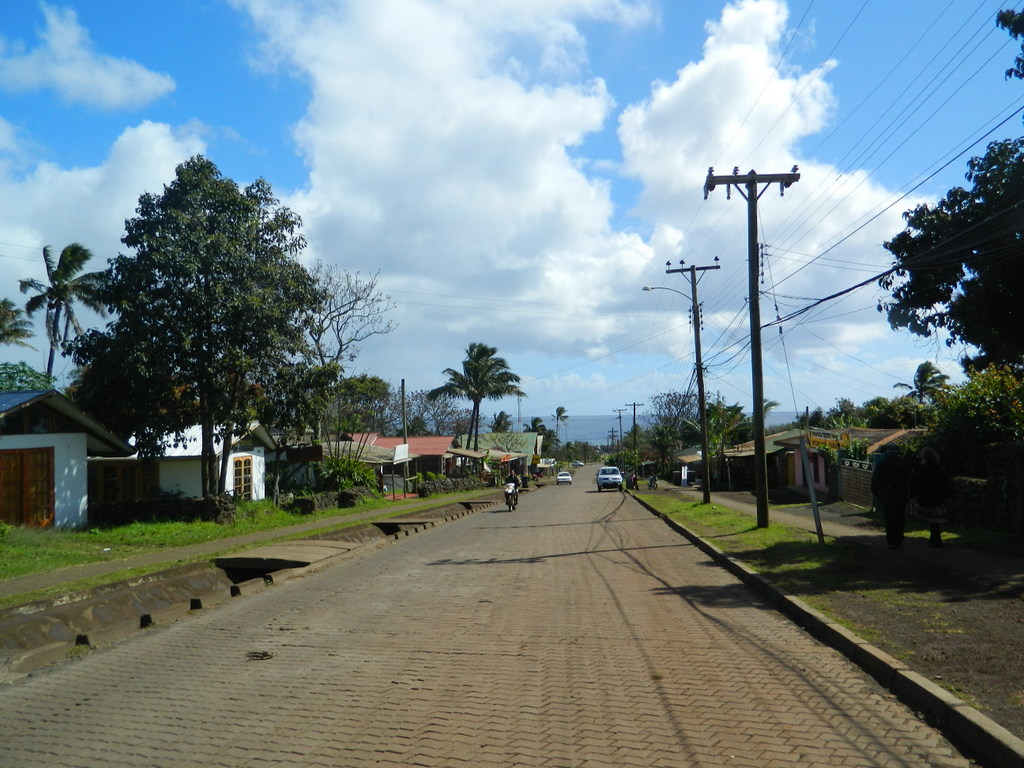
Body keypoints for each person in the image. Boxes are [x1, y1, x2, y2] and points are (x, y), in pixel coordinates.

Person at [910, 447, 955, 548]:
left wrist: (915, 494)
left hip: (927, 497)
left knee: (931, 518)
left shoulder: (922, 469)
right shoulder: (939, 468)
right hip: (938, 496)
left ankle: (934, 539)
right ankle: (936, 539)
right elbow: (946, 482)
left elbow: (917, 483)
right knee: (936, 518)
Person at [871, 445, 909, 549]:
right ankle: (899, 540)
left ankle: (891, 541)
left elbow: (875, 480)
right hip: (900, 495)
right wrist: (911, 494)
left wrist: (876, 493)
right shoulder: (903, 464)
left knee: (889, 518)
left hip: (886, 496)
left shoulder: (881, 465)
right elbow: (909, 480)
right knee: (900, 518)